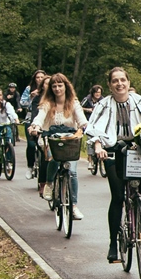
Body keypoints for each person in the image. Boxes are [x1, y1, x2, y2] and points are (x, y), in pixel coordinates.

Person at [86, 66, 141, 263]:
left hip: (137, 149)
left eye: (123, 80)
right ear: (110, 85)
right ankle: (113, 244)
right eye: (115, 81)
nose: (119, 84)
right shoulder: (104, 105)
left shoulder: (139, 102)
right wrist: (99, 146)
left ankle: (139, 207)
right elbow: (94, 129)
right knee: (117, 196)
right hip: (113, 150)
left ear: (128, 83)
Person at [29, 73, 87, 219]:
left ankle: (73, 206)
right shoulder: (47, 104)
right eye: (54, 86)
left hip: (70, 140)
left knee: (72, 172)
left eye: (60, 85)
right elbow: (40, 117)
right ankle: (49, 183)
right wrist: (35, 127)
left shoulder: (73, 103)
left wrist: (86, 127)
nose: (57, 88)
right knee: (53, 159)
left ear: (66, 86)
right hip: (51, 138)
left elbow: (81, 119)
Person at [19, 69, 47, 173]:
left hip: (45, 118)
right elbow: (23, 103)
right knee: (31, 144)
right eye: (37, 77)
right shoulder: (29, 89)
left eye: (41, 77)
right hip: (31, 116)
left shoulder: (49, 89)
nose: (40, 79)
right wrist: (31, 96)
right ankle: (30, 166)